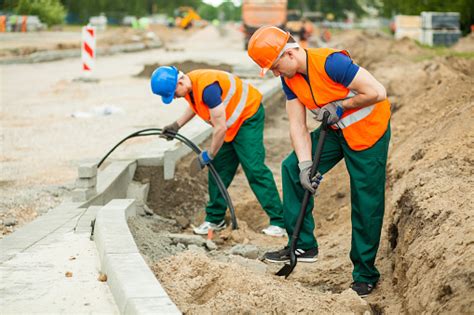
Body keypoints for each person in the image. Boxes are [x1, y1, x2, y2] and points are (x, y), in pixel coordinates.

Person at [247, 26, 391, 297]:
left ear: (289, 53)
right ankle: (303, 245)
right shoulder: (289, 79)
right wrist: (305, 165)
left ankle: (365, 274)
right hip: (335, 132)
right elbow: (297, 125)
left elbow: (377, 91)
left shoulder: (332, 63)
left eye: (276, 66)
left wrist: (340, 107)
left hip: (367, 132)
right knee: (291, 168)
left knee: (365, 200)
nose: (276, 73)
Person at [150, 66, 286, 237]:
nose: (175, 97)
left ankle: (279, 222)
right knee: (218, 170)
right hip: (229, 122)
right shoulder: (191, 85)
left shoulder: (208, 89)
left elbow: (220, 128)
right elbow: (196, 105)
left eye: (174, 93)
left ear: (180, 81)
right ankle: (215, 219)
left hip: (247, 118)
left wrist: (210, 154)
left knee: (254, 169)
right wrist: (177, 125)